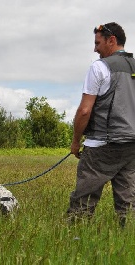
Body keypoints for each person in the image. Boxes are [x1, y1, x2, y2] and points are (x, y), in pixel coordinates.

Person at [68, 22, 135, 227]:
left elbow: (85, 110)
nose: (95, 49)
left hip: (102, 145)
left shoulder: (100, 67)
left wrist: (76, 141)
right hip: (131, 145)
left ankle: (75, 239)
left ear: (111, 40)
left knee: (83, 200)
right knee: (128, 202)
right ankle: (128, 243)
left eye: (98, 43)